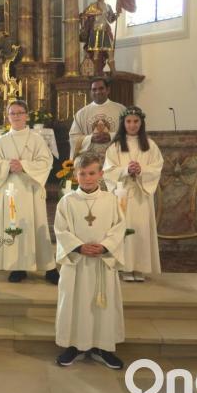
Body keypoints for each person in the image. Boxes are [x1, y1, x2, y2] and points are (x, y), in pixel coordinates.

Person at [53, 152, 126, 370]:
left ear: (101, 174)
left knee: (101, 306)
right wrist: (78, 246)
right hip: (77, 264)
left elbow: (119, 228)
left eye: (92, 173)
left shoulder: (111, 200)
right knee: (75, 303)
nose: (87, 178)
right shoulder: (67, 202)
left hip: (102, 262)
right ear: (75, 175)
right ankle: (73, 345)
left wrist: (105, 246)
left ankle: (103, 347)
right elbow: (60, 229)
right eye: (82, 173)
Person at [0, 100, 57, 284]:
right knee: (13, 226)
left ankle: (48, 267)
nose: (16, 116)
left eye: (19, 112)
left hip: (31, 189)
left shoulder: (36, 139)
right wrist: (9, 165)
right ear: (8, 117)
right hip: (11, 191)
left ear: (26, 115)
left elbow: (45, 162)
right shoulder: (2, 141)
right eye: (12, 113)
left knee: (36, 225)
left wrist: (23, 165)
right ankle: (17, 267)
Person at [103, 106, 163, 282]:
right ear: (123, 123)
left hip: (141, 195)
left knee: (141, 229)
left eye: (136, 121)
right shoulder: (115, 146)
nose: (132, 125)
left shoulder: (150, 145)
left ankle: (140, 267)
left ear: (141, 123)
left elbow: (157, 167)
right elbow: (108, 170)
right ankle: (124, 267)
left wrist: (141, 170)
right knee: (124, 228)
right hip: (122, 194)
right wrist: (125, 170)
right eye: (129, 121)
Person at [68, 77, 126, 159]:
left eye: (101, 88)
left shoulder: (121, 110)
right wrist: (91, 138)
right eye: (94, 89)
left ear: (108, 90)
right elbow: (73, 138)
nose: (98, 92)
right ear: (90, 92)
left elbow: (129, 134)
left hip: (115, 157)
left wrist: (112, 136)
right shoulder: (81, 113)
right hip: (89, 159)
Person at [79, 0, 117, 75]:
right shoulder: (93, 6)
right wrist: (84, 26)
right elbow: (83, 15)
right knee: (95, 53)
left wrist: (116, 15)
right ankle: (96, 72)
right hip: (95, 31)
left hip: (105, 31)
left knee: (110, 51)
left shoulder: (108, 7)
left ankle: (114, 71)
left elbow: (110, 19)